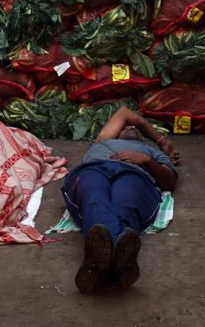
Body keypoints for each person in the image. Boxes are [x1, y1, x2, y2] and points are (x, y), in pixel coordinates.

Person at [61, 106, 179, 294]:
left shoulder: (152, 154)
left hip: (135, 175)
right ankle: (119, 262)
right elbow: (125, 113)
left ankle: (97, 265)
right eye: (126, 128)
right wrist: (161, 140)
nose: (132, 128)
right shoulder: (103, 141)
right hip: (94, 169)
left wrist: (147, 161)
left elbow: (169, 181)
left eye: (136, 130)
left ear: (142, 140)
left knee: (125, 204)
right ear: (117, 134)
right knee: (94, 199)